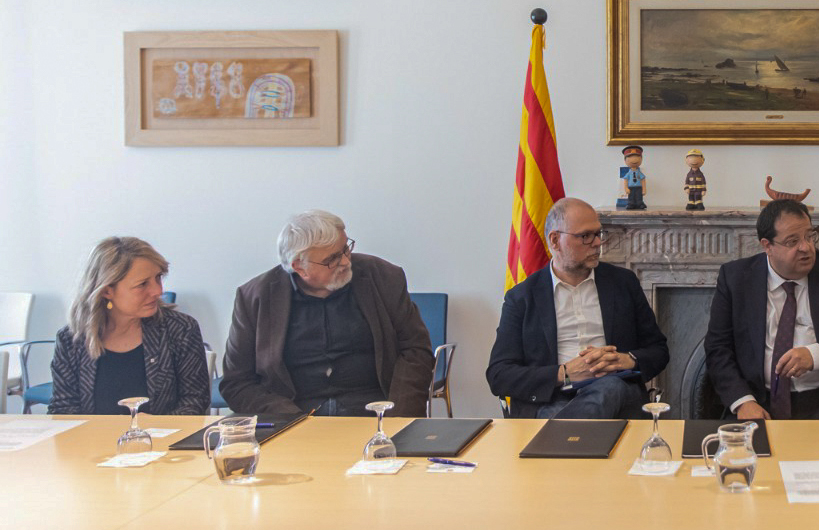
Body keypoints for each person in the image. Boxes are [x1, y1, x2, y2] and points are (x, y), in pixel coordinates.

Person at [221, 210, 434, 418]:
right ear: (299, 266)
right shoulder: (255, 297)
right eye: (332, 259)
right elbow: (237, 382)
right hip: (293, 414)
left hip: (374, 410)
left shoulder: (383, 277)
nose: (346, 262)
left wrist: (398, 417)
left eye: (346, 249)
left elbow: (415, 351)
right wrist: (288, 418)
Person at [487, 198, 669, 418]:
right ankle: (569, 429)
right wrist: (564, 373)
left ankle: (559, 432)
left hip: (615, 393)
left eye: (598, 234)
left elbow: (659, 351)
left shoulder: (623, 283)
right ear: (555, 240)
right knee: (556, 410)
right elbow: (499, 375)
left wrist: (626, 360)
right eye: (585, 236)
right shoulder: (522, 298)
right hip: (551, 398)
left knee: (609, 387)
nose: (597, 243)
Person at [704, 199, 819, 419]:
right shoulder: (735, 278)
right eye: (792, 241)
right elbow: (717, 347)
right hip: (757, 399)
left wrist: (814, 354)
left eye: (809, 236)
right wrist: (742, 402)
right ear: (767, 246)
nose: (805, 247)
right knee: (742, 441)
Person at [48, 237, 209, 415]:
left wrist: (155, 426)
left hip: (164, 434)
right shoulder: (72, 339)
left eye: (158, 278)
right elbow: (63, 410)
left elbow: (195, 402)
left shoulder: (179, 329)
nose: (158, 291)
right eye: (142, 284)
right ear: (107, 290)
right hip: (94, 434)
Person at [618, 145, 647, 209]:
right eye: (629, 157)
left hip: (639, 187)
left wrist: (644, 189)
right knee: (631, 197)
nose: (634, 160)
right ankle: (631, 204)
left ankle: (640, 203)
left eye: (637, 157)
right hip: (630, 187)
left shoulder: (639, 173)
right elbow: (625, 180)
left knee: (639, 196)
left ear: (641, 159)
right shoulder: (628, 173)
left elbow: (643, 179)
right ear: (625, 160)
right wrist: (626, 188)